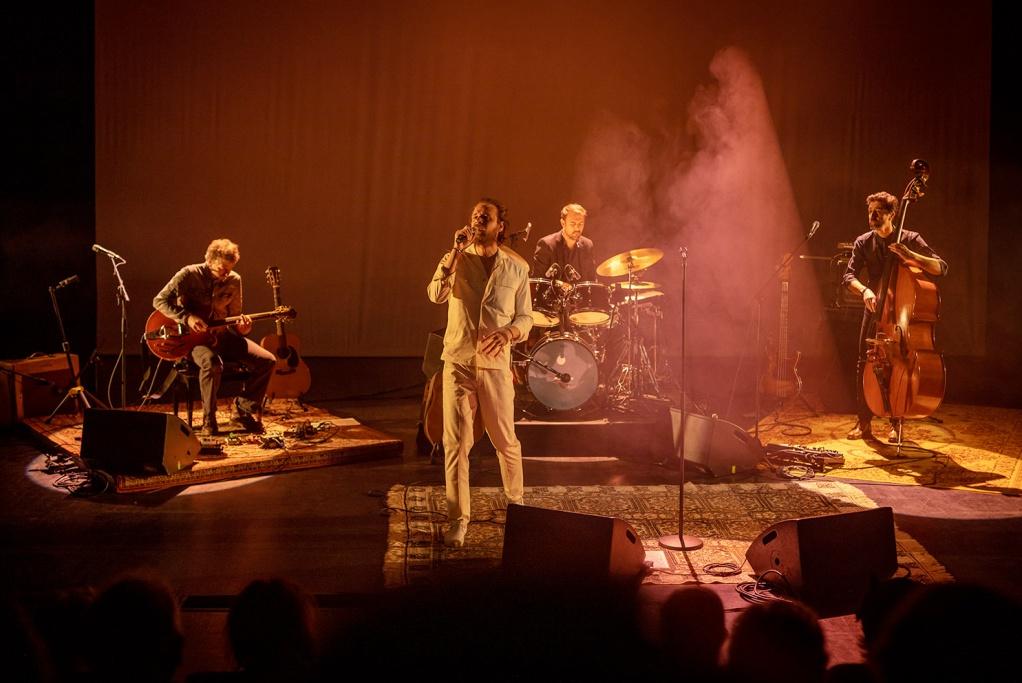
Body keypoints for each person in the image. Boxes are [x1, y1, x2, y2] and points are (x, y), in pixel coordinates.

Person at [427, 198, 533, 548]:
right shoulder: (456, 258)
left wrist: (508, 333)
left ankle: (517, 507)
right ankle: (458, 520)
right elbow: (435, 294)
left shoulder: (516, 267)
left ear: (500, 225)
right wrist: (453, 255)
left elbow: (526, 318)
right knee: (455, 445)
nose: (478, 220)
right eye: (474, 215)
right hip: (458, 361)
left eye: (485, 216)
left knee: (505, 441)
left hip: (495, 366)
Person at [842, 192, 947, 441]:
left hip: (900, 314)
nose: (873, 215)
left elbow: (940, 267)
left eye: (878, 211)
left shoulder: (909, 238)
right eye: (870, 211)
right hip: (876, 308)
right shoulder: (863, 242)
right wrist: (865, 290)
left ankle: (896, 422)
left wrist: (911, 255)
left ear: (892, 214)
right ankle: (863, 421)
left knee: (899, 362)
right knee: (864, 362)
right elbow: (848, 277)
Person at [154, 238, 275, 436]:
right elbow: (159, 301)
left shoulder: (234, 279)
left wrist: (243, 329)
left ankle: (243, 408)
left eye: (230, 269)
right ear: (209, 261)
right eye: (222, 269)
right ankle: (209, 421)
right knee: (212, 363)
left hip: (222, 335)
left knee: (267, 360)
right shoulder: (188, 274)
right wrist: (187, 317)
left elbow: (234, 320)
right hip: (192, 339)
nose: (227, 274)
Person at [532, 203, 597, 282]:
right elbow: (537, 282)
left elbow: (592, 280)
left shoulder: (587, 245)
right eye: (573, 224)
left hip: (581, 294)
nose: (577, 228)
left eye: (581, 224)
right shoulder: (546, 244)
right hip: (553, 294)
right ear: (563, 223)